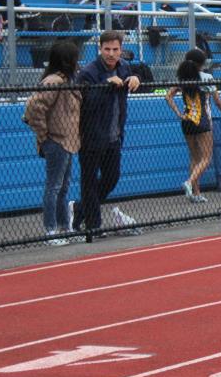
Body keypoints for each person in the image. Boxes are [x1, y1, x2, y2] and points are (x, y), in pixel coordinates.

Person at [70, 31, 141, 234]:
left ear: (121, 50)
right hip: (91, 136)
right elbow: (85, 104)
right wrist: (105, 85)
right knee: (89, 181)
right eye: (107, 49)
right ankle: (93, 225)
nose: (111, 53)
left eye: (115, 49)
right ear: (100, 49)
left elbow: (137, 75)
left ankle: (79, 209)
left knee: (112, 177)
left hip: (114, 135)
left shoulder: (124, 67)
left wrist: (136, 77)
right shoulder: (88, 72)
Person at [22, 41, 82, 245]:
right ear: (67, 60)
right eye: (75, 58)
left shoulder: (69, 80)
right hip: (56, 140)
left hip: (69, 140)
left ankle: (64, 227)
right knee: (54, 187)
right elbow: (33, 108)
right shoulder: (54, 81)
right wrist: (44, 135)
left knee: (63, 187)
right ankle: (51, 230)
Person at [164, 53, 221, 202]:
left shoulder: (182, 78)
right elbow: (218, 102)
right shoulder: (207, 78)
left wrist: (179, 113)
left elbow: (168, 96)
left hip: (187, 121)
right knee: (206, 158)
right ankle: (189, 182)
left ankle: (196, 194)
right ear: (201, 64)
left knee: (194, 157)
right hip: (202, 122)